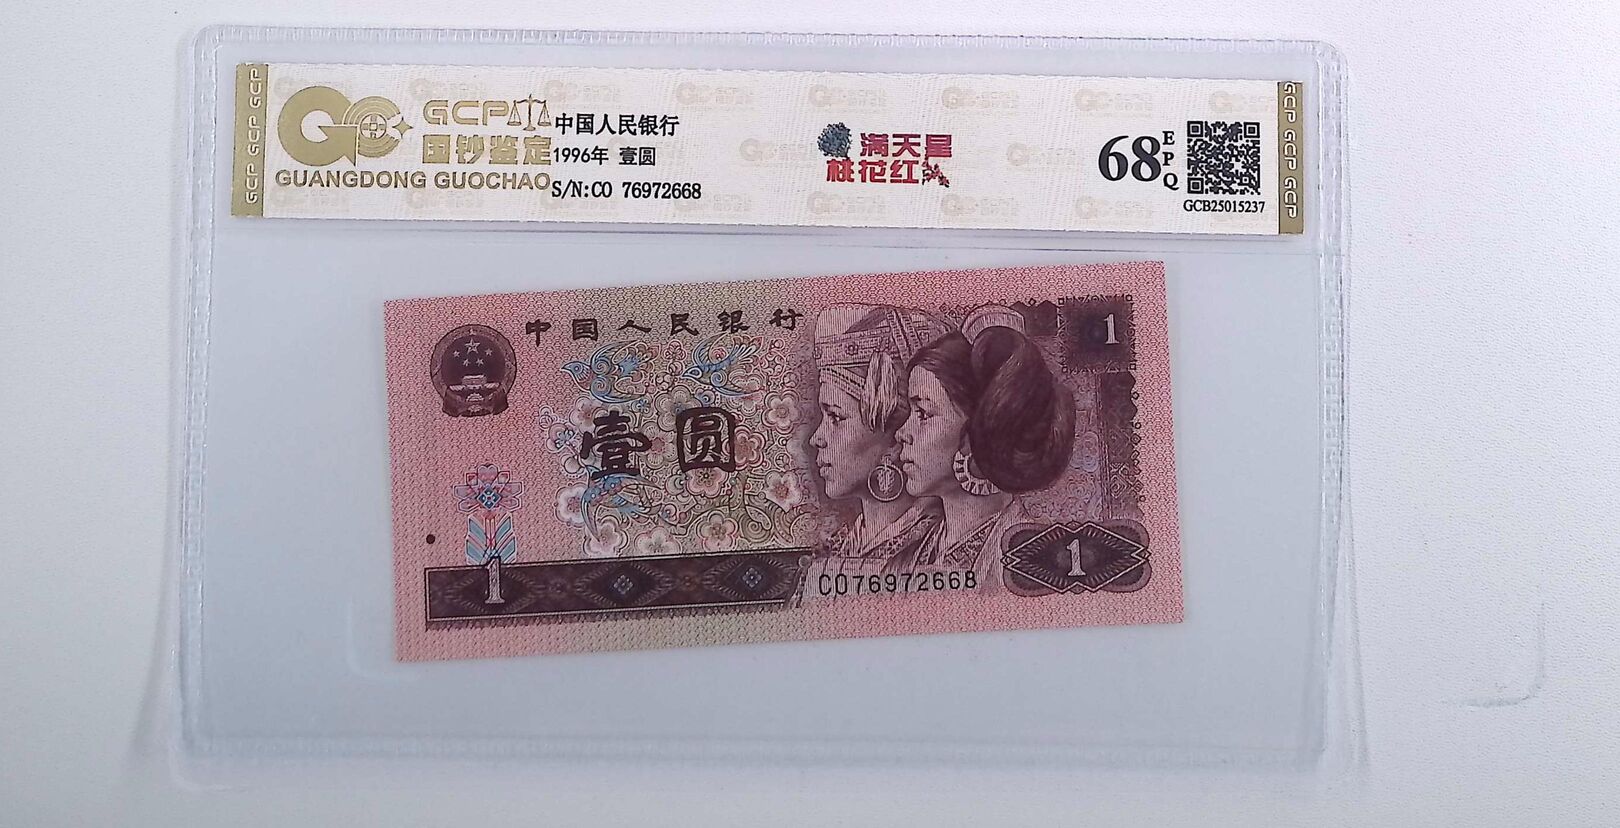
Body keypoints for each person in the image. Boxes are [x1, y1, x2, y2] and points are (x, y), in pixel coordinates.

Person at [895, 304, 1076, 593]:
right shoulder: (909, 554)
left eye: (924, 413)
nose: (902, 433)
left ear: (978, 431)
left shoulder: (1030, 561)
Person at [806, 304, 951, 580]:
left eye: (836, 417)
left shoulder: (938, 552)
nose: (817, 438)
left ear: (895, 436)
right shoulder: (838, 549)